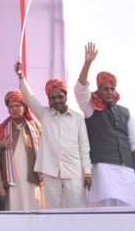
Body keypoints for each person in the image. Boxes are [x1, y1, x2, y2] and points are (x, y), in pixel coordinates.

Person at [74, 42, 135, 206]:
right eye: (105, 88)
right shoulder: (91, 108)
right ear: (98, 90)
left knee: (129, 209)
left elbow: (134, 141)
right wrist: (87, 63)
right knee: (103, 211)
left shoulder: (125, 112)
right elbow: (80, 90)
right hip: (101, 168)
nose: (110, 92)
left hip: (126, 168)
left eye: (113, 88)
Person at [16, 67, 90, 209]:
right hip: (50, 170)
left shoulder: (78, 118)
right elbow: (29, 97)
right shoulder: (45, 114)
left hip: (73, 171)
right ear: (48, 99)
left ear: (66, 96)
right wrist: (21, 77)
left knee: (76, 209)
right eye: (53, 98)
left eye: (60, 96)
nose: (57, 100)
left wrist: (87, 173)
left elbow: (84, 147)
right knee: (53, 210)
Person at [0, 89, 44, 210]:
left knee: (33, 206)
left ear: (24, 107)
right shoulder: (2, 128)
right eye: (11, 106)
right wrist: (0, 144)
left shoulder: (35, 126)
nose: (14, 109)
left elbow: (46, 149)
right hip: (11, 179)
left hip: (32, 178)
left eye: (17, 105)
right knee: (14, 207)